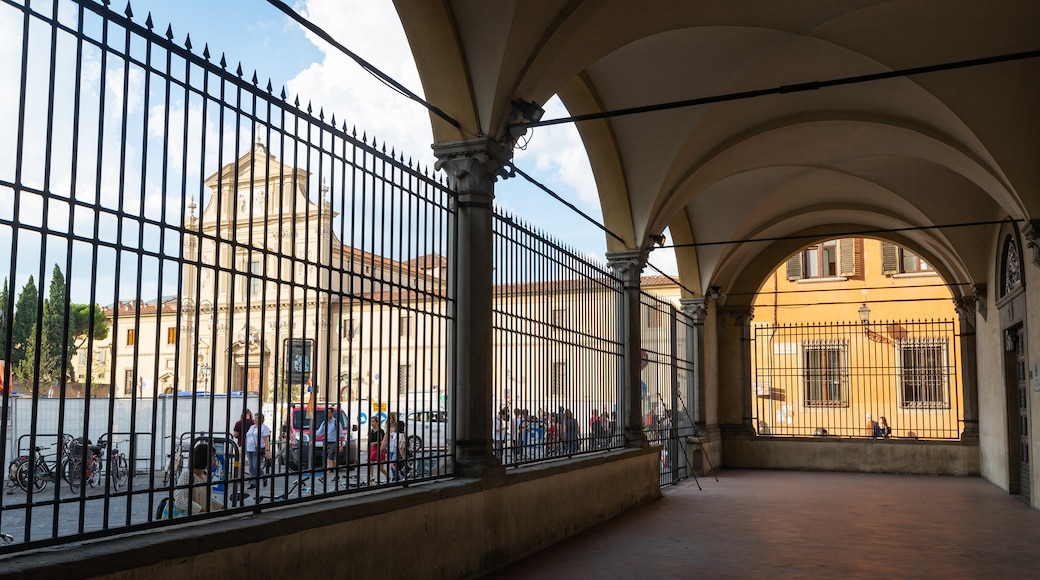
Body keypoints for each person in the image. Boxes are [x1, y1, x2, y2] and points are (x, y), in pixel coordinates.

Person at [174, 442, 224, 515]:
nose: (215, 458)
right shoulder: (187, 475)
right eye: (212, 456)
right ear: (204, 457)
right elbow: (182, 500)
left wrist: (221, 506)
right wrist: (202, 510)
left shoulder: (204, 475)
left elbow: (206, 498)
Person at [246, 413, 272, 488]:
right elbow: (247, 437)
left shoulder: (264, 428)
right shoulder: (251, 427)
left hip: (258, 449)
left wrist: (267, 450)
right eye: (255, 418)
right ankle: (253, 483)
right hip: (249, 448)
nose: (255, 419)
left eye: (257, 418)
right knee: (251, 466)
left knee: (255, 466)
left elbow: (266, 440)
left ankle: (263, 477)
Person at [380, 412, 407, 481]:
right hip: (390, 447)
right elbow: (385, 439)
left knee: (394, 463)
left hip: (396, 447)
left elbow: (402, 436)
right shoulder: (388, 427)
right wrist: (381, 448)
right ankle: (395, 476)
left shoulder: (397, 427)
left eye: (391, 418)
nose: (390, 420)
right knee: (391, 463)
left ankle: (397, 476)